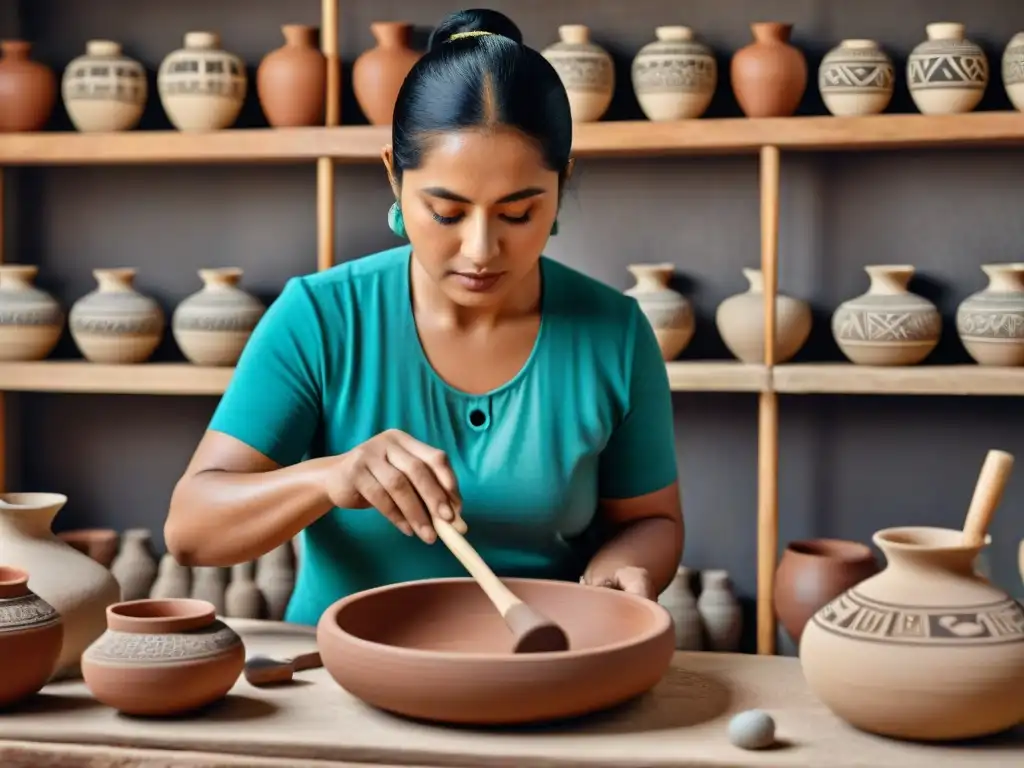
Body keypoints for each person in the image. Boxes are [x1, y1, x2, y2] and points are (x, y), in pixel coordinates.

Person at [164, 8, 683, 626]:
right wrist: (330, 478)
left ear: (562, 182)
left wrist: (622, 569)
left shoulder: (615, 333)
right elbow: (192, 531)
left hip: (538, 665)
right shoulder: (322, 318)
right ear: (394, 176)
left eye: (518, 214)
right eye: (446, 211)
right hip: (339, 679)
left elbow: (650, 520)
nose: (481, 250)